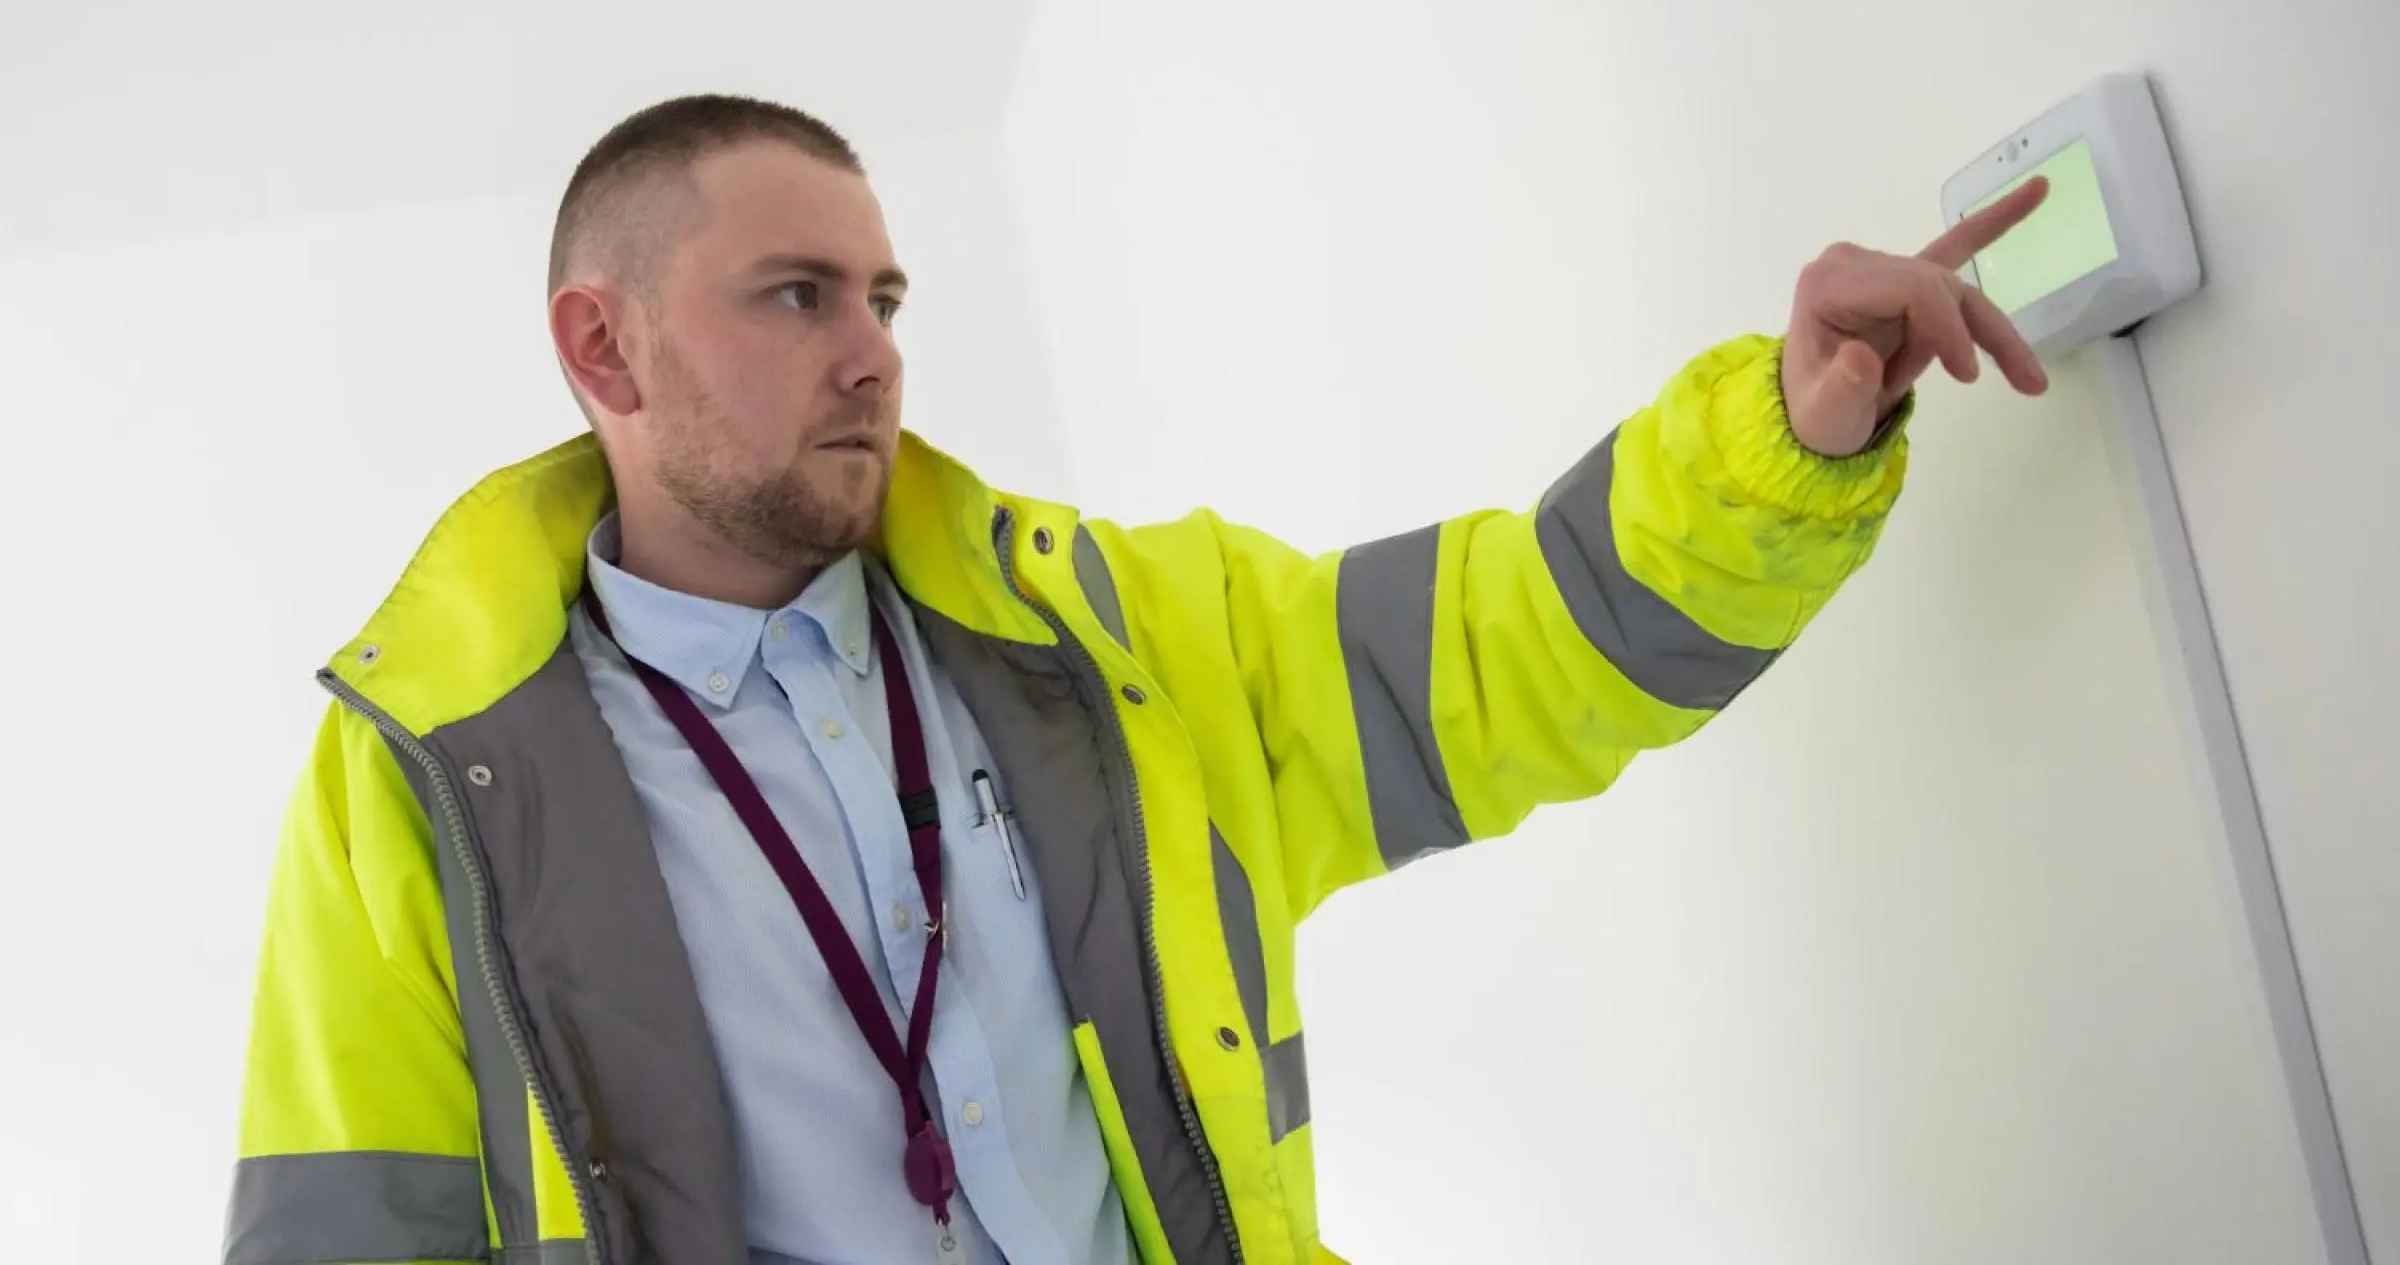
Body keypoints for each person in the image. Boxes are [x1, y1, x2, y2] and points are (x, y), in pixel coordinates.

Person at [220, 94, 2048, 1265]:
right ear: (599, 343)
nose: (872, 353)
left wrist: (1790, 434)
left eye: (888, 298)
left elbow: (1528, 637)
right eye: (798, 295)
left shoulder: (1115, 642)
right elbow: (336, 1243)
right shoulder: (421, 783)